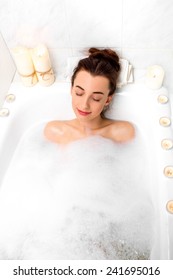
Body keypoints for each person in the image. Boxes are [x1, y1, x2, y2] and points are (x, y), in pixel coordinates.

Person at [44, 47, 135, 144]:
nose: (84, 105)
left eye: (96, 98)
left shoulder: (123, 133)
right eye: (79, 93)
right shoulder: (54, 132)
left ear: (107, 100)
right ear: (71, 89)